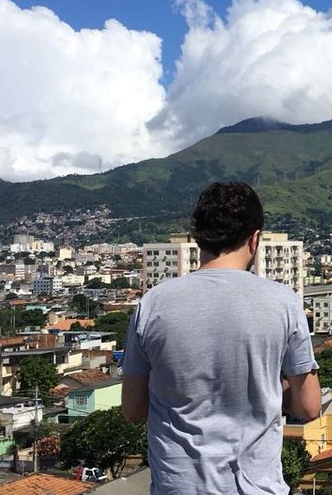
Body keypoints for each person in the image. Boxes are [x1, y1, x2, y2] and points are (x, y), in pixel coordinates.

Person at [121, 182, 321, 494]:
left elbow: (133, 410)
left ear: (197, 238)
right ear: (255, 238)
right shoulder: (283, 302)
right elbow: (309, 407)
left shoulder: (152, 304)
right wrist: (267, 386)